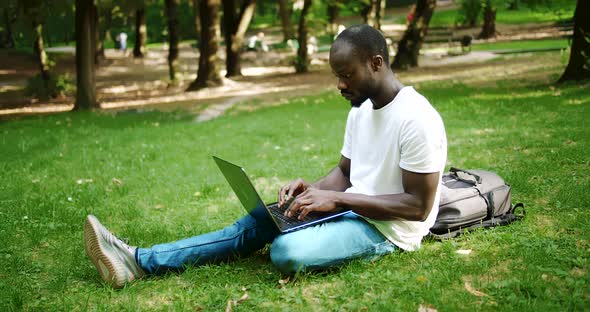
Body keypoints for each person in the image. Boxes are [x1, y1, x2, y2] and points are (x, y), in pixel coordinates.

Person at [84, 24, 447, 289]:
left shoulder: (416, 118)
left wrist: (336, 198)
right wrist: (312, 190)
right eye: (337, 75)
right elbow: (344, 171)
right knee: (260, 220)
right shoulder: (360, 112)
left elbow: (416, 206)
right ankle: (137, 260)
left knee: (286, 251)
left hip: (388, 230)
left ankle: (134, 260)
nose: (340, 84)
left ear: (377, 63)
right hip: (353, 208)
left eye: (346, 75)